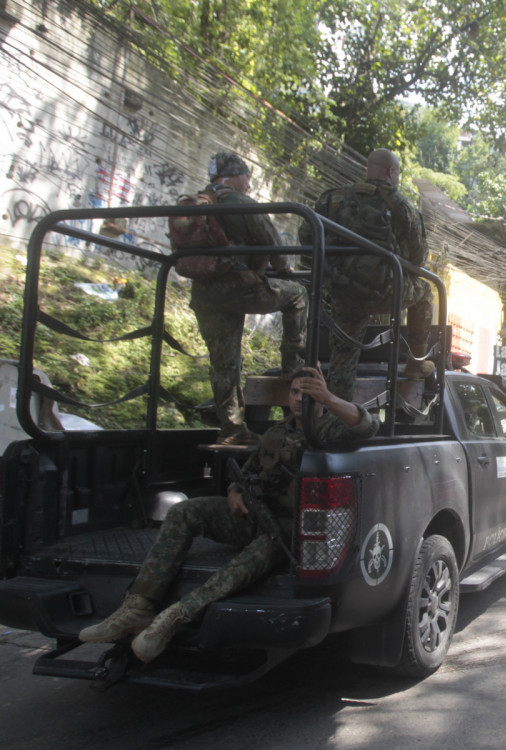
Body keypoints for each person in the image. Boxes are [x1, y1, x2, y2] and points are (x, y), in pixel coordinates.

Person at [78, 366, 379, 663]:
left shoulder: (331, 428)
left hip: (292, 528)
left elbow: (367, 426)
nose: (300, 398)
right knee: (185, 511)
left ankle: (176, 616)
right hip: (254, 514)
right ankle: (139, 604)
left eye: (308, 392)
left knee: (251, 558)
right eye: (295, 391)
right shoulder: (276, 431)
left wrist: (327, 398)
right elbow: (250, 470)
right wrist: (235, 490)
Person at [190, 152, 308, 446]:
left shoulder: (198, 204)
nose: (249, 185)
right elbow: (273, 245)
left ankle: (231, 429)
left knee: (223, 362)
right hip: (239, 290)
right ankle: (292, 366)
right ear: (235, 176)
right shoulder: (242, 205)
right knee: (298, 296)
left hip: (205, 295)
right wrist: (284, 271)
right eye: (247, 177)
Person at [300, 148, 434, 408]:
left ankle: (337, 417)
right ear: (391, 172)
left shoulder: (333, 199)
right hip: (387, 290)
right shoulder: (402, 206)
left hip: (343, 291)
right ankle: (416, 360)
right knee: (426, 291)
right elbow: (419, 259)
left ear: (368, 169)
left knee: (345, 355)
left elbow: (307, 238)